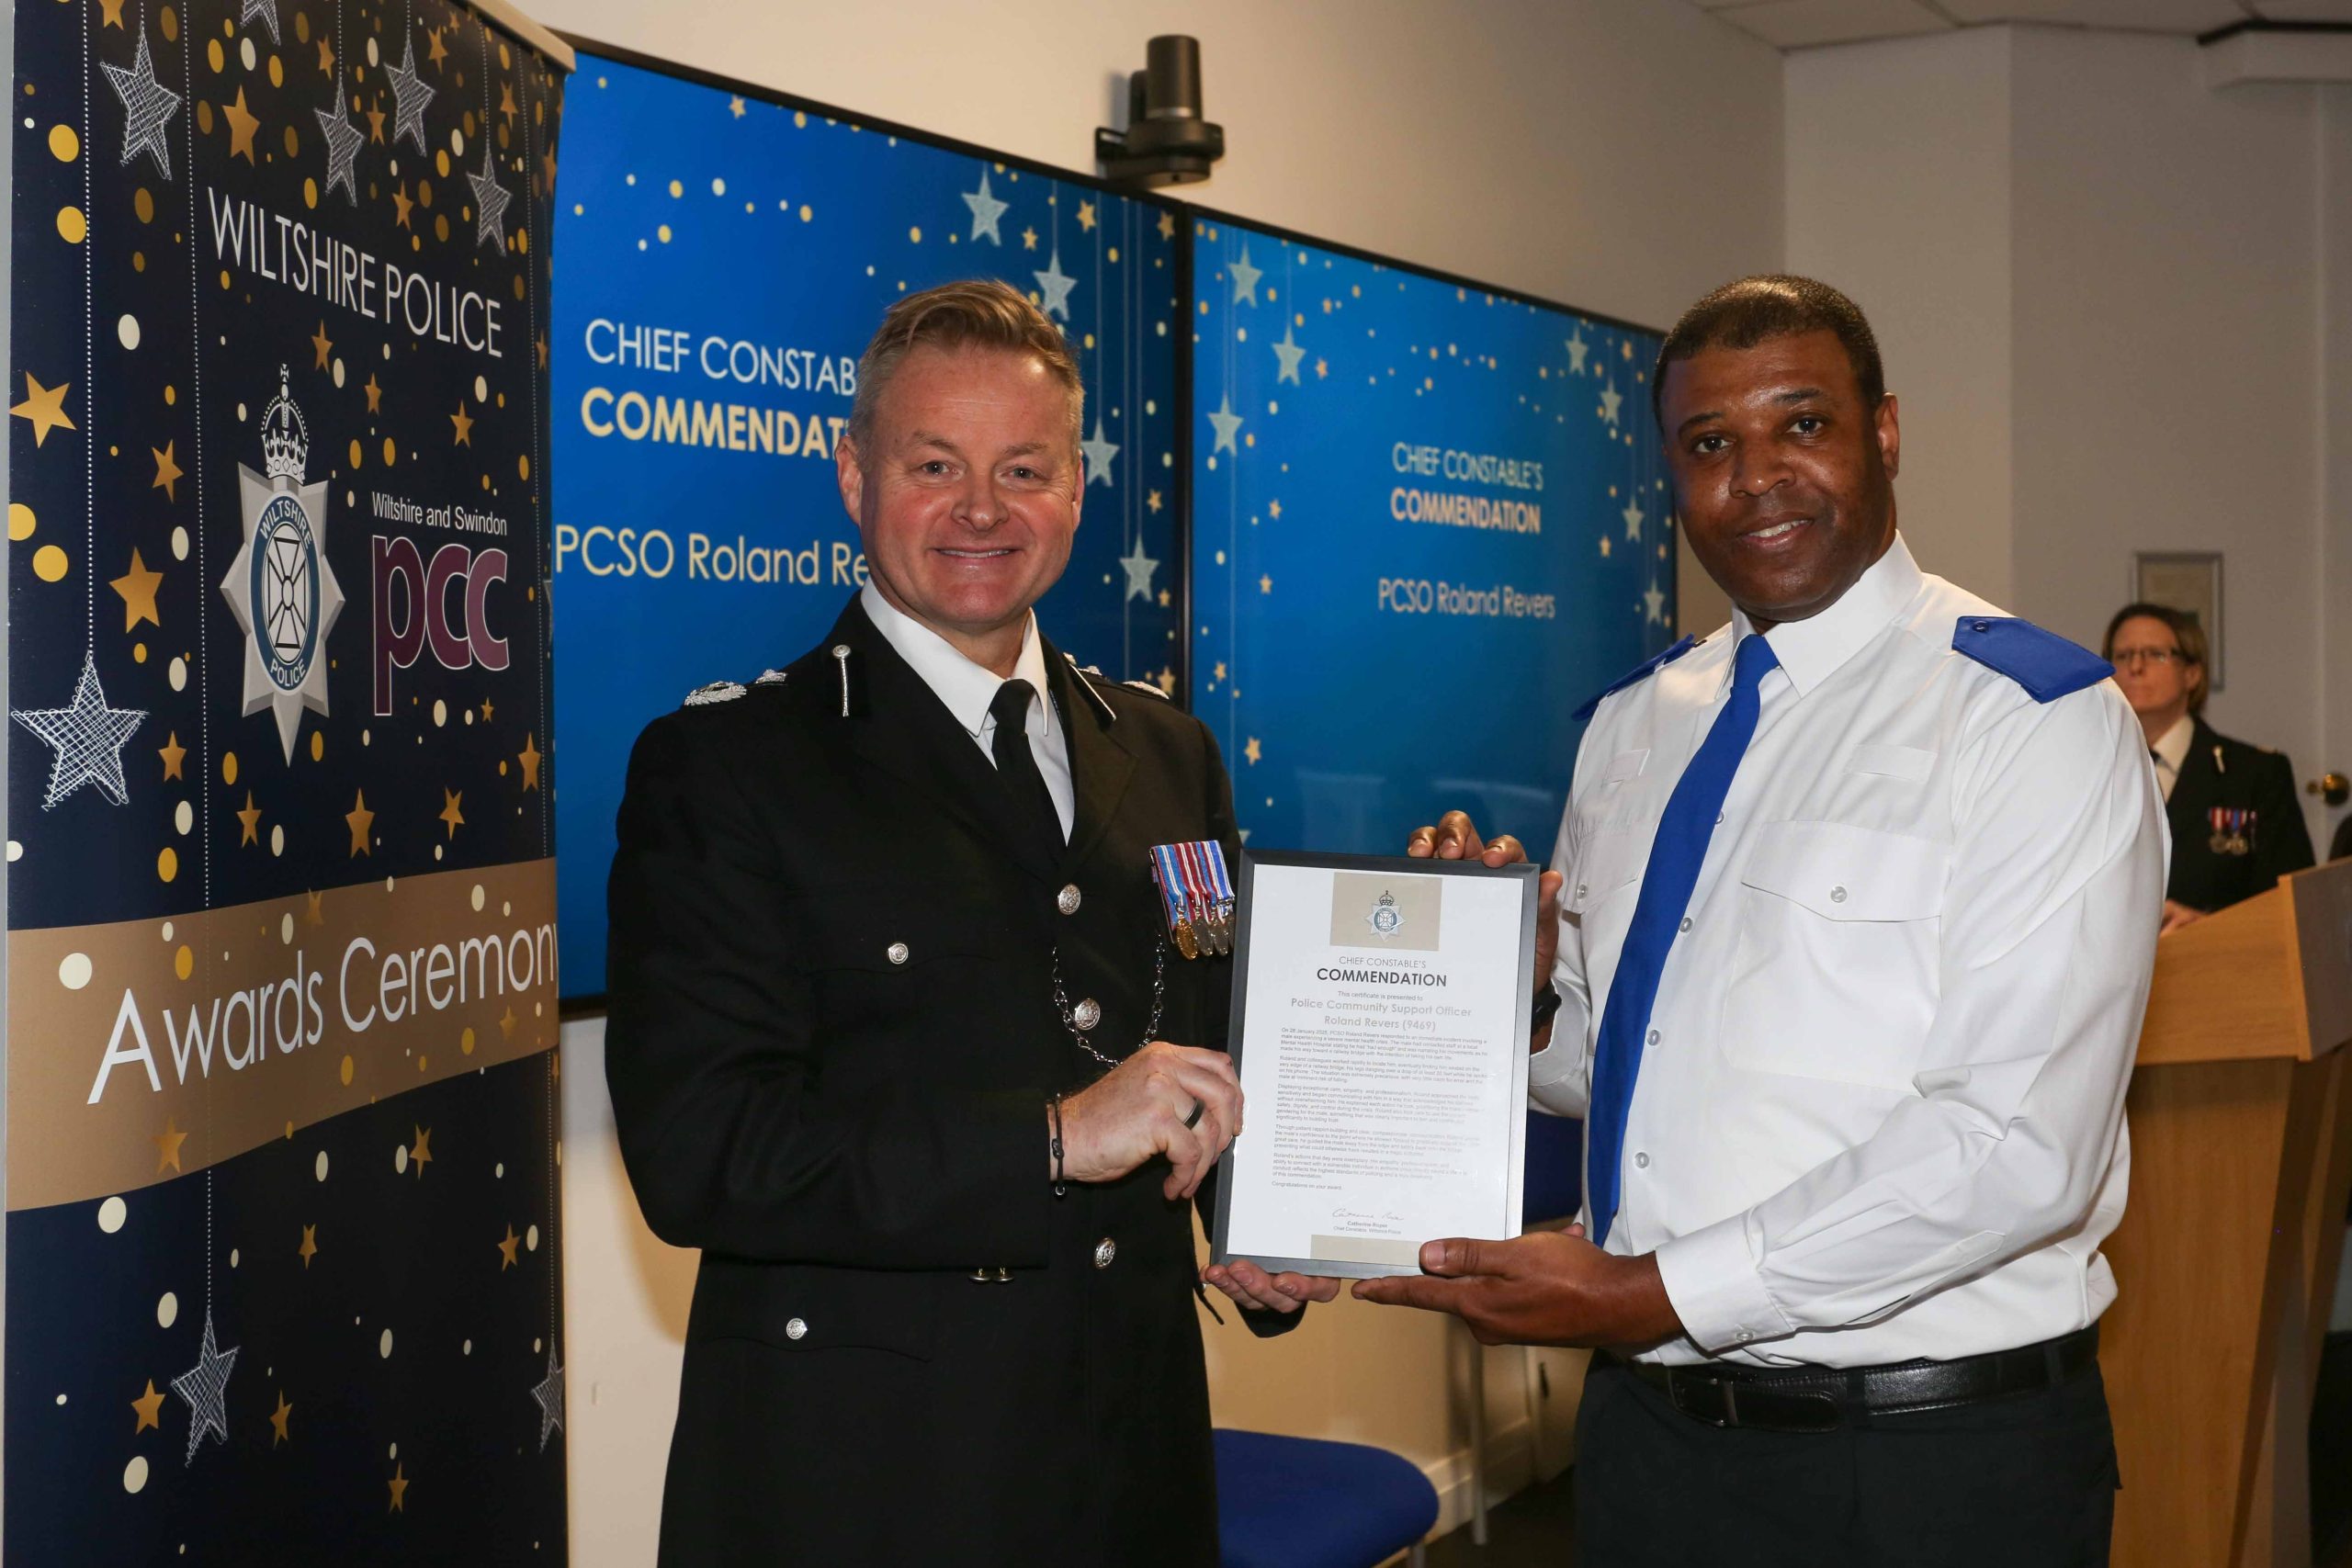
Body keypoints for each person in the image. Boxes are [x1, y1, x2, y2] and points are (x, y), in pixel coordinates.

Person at [1359, 276, 2165, 1566]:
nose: (1756, 478)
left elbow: (2012, 1146)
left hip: (1923, 1465)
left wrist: (1647, 1293)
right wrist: (1519, 989)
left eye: (1802, 424)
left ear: (1884, 433)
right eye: (1709, 443)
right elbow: (1613, 1077)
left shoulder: (2028, 722)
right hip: (1650, 1443)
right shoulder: (1637, 724)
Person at [603, 278, 1333, 1568]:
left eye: (1022, 469)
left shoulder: (1167, 752)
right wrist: (1052, 1138)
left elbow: (1210, 1037)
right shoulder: (729, 768)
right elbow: (701, 1152)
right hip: (872, 1480)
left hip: (1132, 1460)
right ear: (853, 476)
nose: (982, 509)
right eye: (934, 465)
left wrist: (1263, 1223)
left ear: (1075, 490)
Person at [2101, 602, 2313, 930]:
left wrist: (2211, 928)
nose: (2136, 667)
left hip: (2223, 956)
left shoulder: (2255, 774)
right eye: (2123, 656)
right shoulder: (2089, 771)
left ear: (2192, 674)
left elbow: (2293, 908)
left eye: (2155, 655)